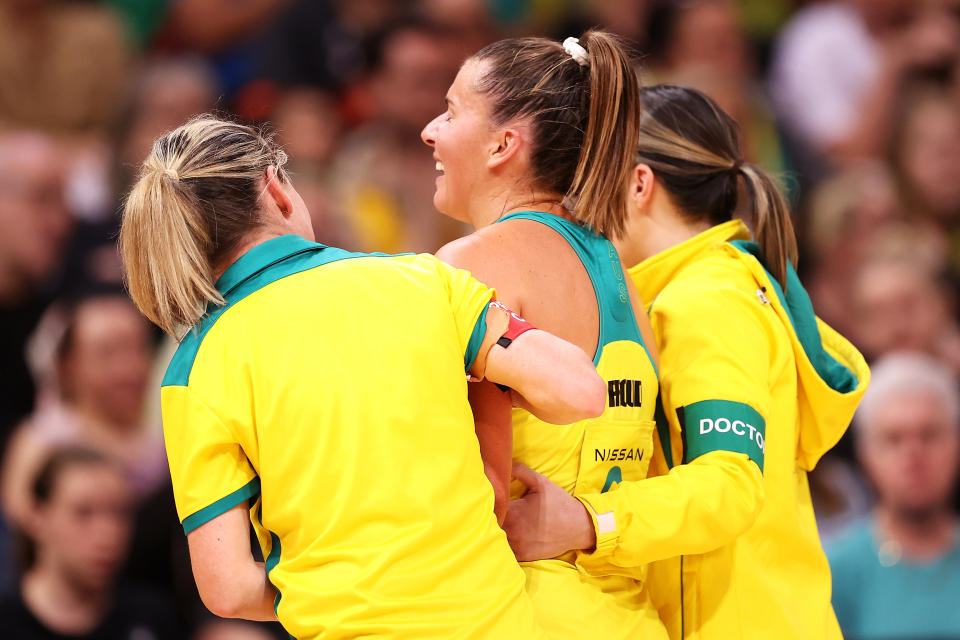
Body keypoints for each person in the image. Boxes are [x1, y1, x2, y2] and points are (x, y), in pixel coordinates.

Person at [118, 115, 606, 639]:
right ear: (276, 190)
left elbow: (229, 589)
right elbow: (577, 392)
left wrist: (336, 588)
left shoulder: (194, 369)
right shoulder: (422, 281)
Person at [502, 85, 871, 639]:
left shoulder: (705, 302)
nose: (574, 204)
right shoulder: (709, 287)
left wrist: (587, 522)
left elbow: (728, 482)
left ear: (638, 184)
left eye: (590, 179)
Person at [422, 31, 666, 638]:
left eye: (451, 111)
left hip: (522, 613)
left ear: (504, 144)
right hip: (632, 617)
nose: (430, 130)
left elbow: (476, 490)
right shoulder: (623, 277)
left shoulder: (470, 263)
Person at [2, 294, 165, 529]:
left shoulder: (162, 437)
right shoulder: (41, 440)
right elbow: (21, 526)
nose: (128, 369)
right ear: (67, 365)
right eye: (107, 354)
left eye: (138, 349)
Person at [829, 352, 960, 639]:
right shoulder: (834, 573)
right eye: (893, 439)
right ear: (865, 455)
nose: (913, 456)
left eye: (929, 434)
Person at [0, 446, 180, 639]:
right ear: (36, 517)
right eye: (83, 513)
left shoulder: (152, 617)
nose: (108, 535)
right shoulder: (7, 622)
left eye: (120, 513)